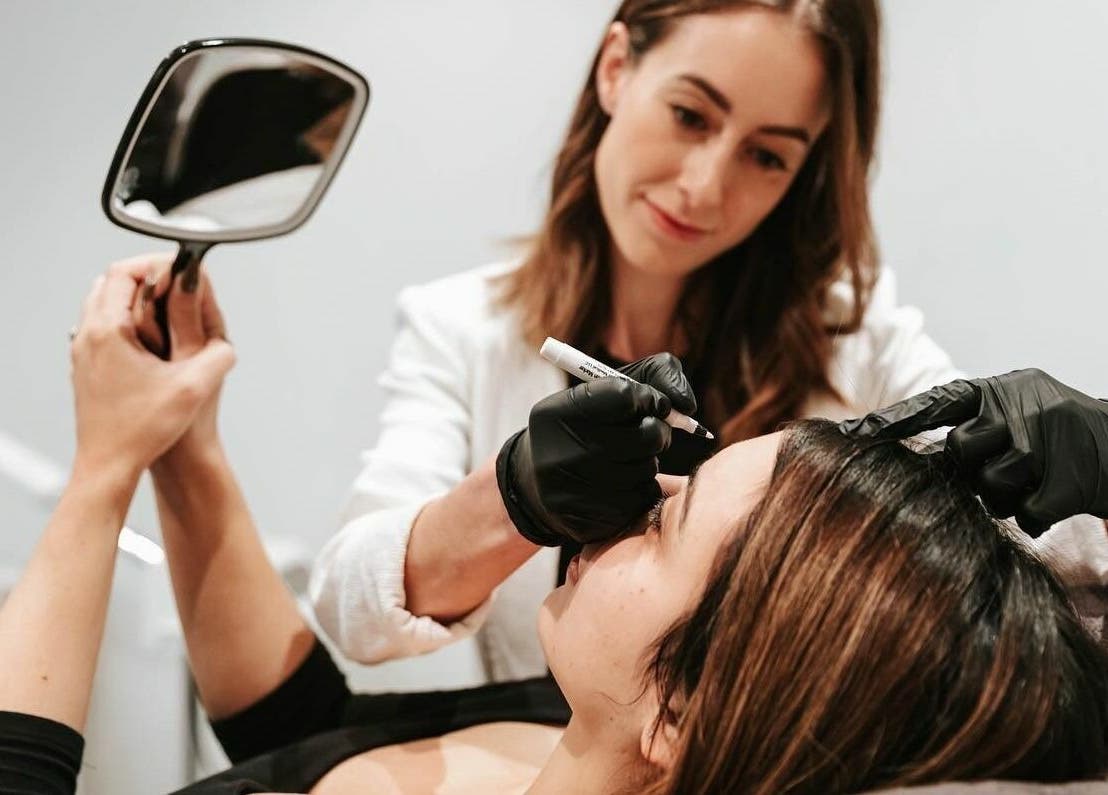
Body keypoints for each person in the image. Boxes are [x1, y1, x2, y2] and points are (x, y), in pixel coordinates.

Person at [5, 262, 1108, 794]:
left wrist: (100, 471)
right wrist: (183, 447)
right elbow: (292, 729)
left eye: (669, 524)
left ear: (681, 713)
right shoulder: (567, 721)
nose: (640, 499)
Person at [308, 0, 1108, 685]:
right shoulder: (459, 327)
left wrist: (1096, 464)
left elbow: (1053, 573)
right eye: (690, 115)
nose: (705, 187)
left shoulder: (853, 340)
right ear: (617, 66)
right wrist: (513, 497)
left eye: (766, 155)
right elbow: (352, 599)